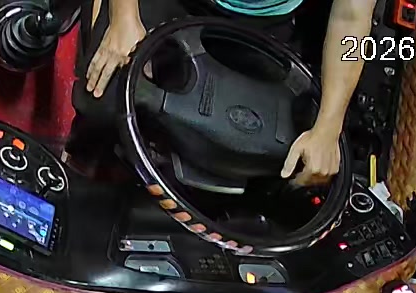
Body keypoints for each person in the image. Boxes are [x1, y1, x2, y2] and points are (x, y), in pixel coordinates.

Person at [73, 0, 378, 186]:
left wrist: (328, 128)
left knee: (278, 157)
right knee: (106, 100)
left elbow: (351, 17)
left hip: (268, 23)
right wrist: (124, 18)